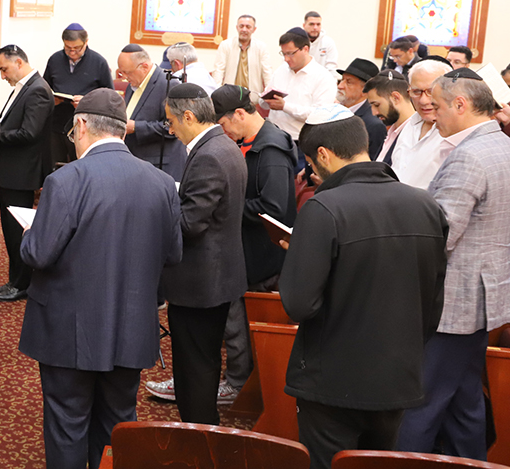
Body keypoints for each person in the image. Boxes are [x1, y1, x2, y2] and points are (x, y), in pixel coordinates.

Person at [18, 88, 183, 469]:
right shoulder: (161, 182)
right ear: (122, 129)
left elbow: (39, 253)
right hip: (131, 326)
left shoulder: (66, 180)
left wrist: (29, 234)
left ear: (80, 125)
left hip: (68, 330)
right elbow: (173, 254)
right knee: (117, 423)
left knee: (67, 424)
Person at [280, 104, 448, 469]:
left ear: (323, 154)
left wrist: (301, 257)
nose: (312, 171)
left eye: (310, 162)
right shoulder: (425, 204)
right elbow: (434, 300)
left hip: (332, 378)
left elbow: (299, 303)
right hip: (398, 375)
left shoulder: (324, 207)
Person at [397, 68, 510, 460]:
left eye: (439, 106)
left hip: (453, 302)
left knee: (420, 405)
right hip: (482, 298)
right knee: (465, 404)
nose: (433, 115)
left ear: (461, 104)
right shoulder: (501, 144)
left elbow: (440, 236)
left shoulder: (469, 156)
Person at [152, 83, 247, 424]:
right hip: (215, 276)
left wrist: (159, 210)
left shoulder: (208, 155)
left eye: (171, 121)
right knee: (202, 363)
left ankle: (199, 435)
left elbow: (190, 224)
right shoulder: (224, 145)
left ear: (188, 116)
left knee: (194, 369)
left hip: (200, 284)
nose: (170, 130)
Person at [212, 84, 296, 403]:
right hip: (248, 246)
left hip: (261, 253)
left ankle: (238, 383)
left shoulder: (270, 150)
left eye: (223, 124)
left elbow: (273, 207)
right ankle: (239, 380)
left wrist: (226, 206)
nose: (223, 132)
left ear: (239, 114)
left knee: (237, 317)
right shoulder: (252, 141)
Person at [0, 44, 53, 303]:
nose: (2, 75)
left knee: (18, 232)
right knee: (10, 230)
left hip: (21, 172)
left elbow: (29, 133)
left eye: (4, 69)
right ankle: (14, 280)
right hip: (12, 170)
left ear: (18, 62)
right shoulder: (25, 87)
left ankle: (21, 284)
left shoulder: (37, 89)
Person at [42, 24, 114, 164]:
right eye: (68, 48)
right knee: (55, 165)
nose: (72, 52)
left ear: (86, 42)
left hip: (86, 127)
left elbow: (109, 97)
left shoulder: (99, 62)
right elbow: (45, 89)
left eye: (77, 48)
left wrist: (87, 101)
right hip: (57, 123)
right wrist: (52, 99)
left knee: (81, 165)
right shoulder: (55, 59)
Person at [118, 44, 187, 182]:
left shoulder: (169, 84)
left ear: (144, 67)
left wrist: (136, 127)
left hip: (160, 165)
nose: (124, 78)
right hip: (136, 160)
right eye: (121, 73)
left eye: (127, 73)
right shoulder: (132, 85)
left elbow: (175, 127)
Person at [264, 28, 338, 143]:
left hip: (300, 140)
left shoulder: (323, 77)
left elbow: (319, 115)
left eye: (290, 53)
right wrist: (265, 99)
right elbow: (265, 103)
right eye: (283, 54)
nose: (286, 59)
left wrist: (285, 106)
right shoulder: (281, 70)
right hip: (273, 136)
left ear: (305, 49)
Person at [390, 60, 450, 189]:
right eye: (416, 91)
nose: (423, 100)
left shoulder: (454, 133)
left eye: (431, 91)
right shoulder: (410, 124)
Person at [212, 14, 275, 100]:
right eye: (241, 26)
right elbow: (218, 70)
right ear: (237, 27)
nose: (244, 29)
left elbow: (267, 72)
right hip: (229, 97)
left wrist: (269, 93)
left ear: (254, 29)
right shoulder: (225, 45)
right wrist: (216, 93)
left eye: (248, 27)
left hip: (252, 97)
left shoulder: (261, 47)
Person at [335, 58, 388, 160]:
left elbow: (372, 163)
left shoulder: (373, 124)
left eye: (348, 82)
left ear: (365, 90)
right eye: (342, 80)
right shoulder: (334, 111)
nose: (340, 86)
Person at [364, 70, 415, 166]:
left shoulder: (414, 137)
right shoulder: (392, 132)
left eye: (377, 105)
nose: (374, 113)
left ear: (395, 98)